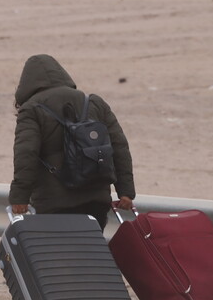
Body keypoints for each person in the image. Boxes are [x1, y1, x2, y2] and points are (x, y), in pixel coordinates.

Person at [9, 54, 135, 230]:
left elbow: (26, 155)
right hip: (96, 199)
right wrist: (126, 192)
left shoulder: (31, 109)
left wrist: (20, 197)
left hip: (54, 202)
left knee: (60, 254)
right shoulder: (93, 102)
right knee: (89, 252)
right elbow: (119, 147)